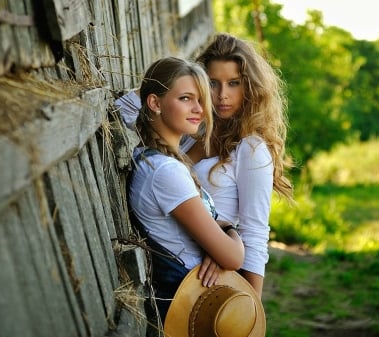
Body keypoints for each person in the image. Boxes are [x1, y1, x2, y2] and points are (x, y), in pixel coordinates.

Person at [117, 33, 293, 297]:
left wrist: (250, 311)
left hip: (216, 270)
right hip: (183, 264)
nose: (222, 95)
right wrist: (180, 76)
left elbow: (255, 234)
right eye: (213, 83)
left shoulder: (251, 148)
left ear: (250, 87)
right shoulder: (188, 132)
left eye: (234, 83)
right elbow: (124, 110)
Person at [127, 56, 245, 326]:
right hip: (186, 304)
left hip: (195, 297)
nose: (200, 109)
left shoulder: (160, 160)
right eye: (186, 99)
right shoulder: (164, 171)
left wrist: (223, 231)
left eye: (201, 99)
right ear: (155, 103)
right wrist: (230, 231)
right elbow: (233, 256)